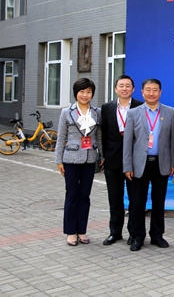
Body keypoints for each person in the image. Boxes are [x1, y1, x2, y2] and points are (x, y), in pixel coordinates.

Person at [123, 78, 174, 251]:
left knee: (159, 201)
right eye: (148, 90)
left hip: (161, 163)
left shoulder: (170, 112)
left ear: (160, 92)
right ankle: (138, 236)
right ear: (142, 92)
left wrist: (173, 162)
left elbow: (173, 141)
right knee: (138, 202)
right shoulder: (133, 113)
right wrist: (127, 166)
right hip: (140, 164)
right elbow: (128, 142)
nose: (151, 93)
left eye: (155, 90)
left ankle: (157, 235)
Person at [55, 78, 101, 246]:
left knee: (85, 196)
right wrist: (58, 160)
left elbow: (99, 136)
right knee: (72, 195)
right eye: (82, 91)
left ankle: (81, 230)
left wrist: (102, 156)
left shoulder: (97, 112)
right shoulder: (67, 112)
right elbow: (61, 138)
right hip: (71, 159)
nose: (85, 95)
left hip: (90, 159)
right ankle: (70, 232)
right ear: (76, 93)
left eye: (88, 92)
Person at [101, 75, 143, 246]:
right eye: (121, 86)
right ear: (115, 89)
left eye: (128, 86)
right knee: (115, 198)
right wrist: (103, 156)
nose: (124, 89)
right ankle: (115, 232)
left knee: (135, 199)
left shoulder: (140, 106)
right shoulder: (107, 108)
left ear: (133, 89)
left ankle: (134, 233)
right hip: (113, 159)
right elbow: (103, 134)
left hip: (134, 160)